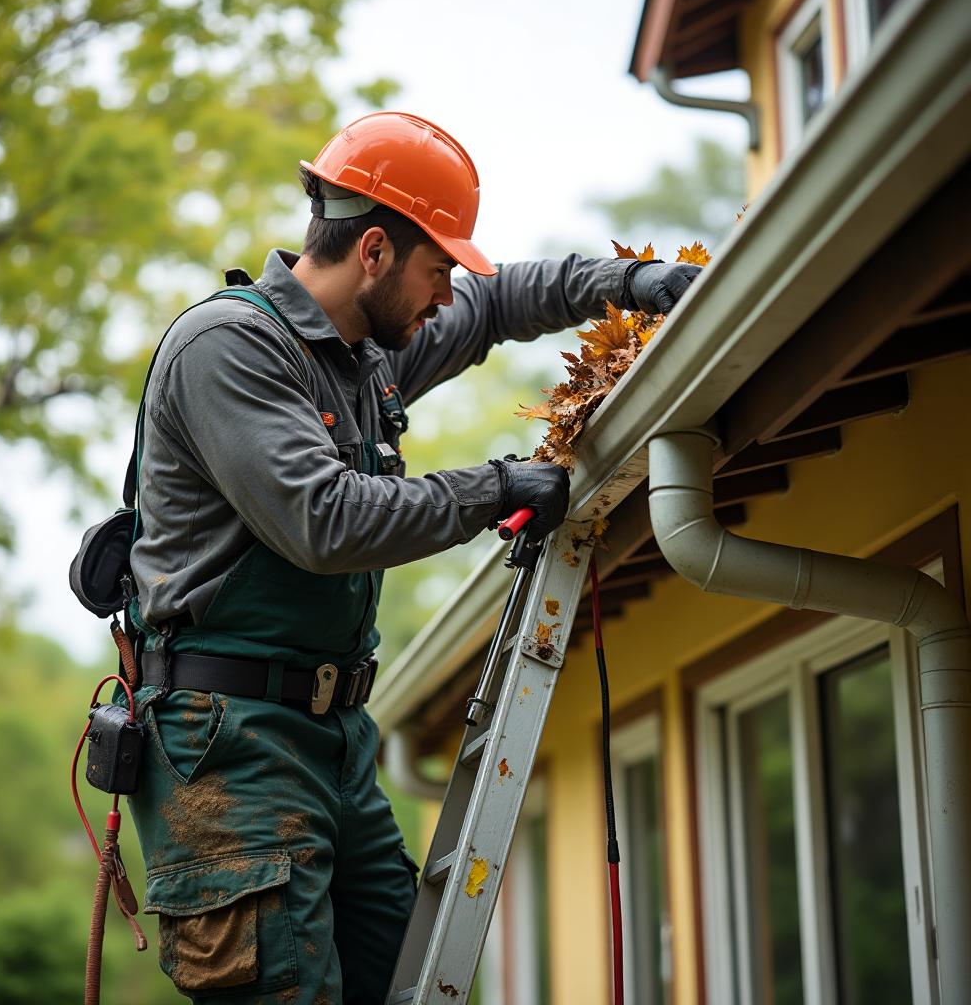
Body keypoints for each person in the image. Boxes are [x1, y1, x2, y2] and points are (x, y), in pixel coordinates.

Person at [125, 111, 699, 1004]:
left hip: (334, 739)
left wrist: (638, 282)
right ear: (378, 253)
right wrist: (497, 486)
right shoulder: (228, 350)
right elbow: (326, 522)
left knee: (407, 972)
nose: (445, 297)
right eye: (439, 271)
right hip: (228, 749)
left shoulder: (364, 356)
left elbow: (505, 298)